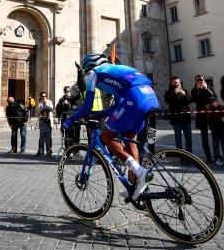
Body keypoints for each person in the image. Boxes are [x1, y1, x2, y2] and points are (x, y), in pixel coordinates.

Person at [62, 53, 159, 201]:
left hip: (135, 97)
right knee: (129, 138)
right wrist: (102, 112)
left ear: (88, 67)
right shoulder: (114, 69)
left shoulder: (93, 74)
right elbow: (118, 104)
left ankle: (140, 173)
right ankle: (135, 185)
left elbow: (87, 106)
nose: (86, 73)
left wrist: (71, 119)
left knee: (106, 136)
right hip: (150, 96)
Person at [164, 76, 192, 153]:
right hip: (175, 119)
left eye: (178, 82)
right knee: (178, 138)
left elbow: (190, 101)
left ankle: (189, 155)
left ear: (180, 83)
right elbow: (168, 100)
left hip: (186, 118)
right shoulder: (168, 92)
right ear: (171, 83)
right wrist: (174, 93)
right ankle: (181, 156)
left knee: (188, 137)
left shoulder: (185, 90)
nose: (176, 84)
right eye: (175, 83)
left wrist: (184, 94)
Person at [191, 75, 215, 163]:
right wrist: (198, 90)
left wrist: (206, 89)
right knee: (204, 137)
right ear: (195, 81)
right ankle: (208, 157)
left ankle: (217, 155)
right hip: (201, 116)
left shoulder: (209, 88)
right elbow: (195, 100)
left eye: (201, 79)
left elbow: (214, 97)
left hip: (211, 114)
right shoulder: (194, 90)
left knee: (215, 136)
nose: (200, 81)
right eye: (198, 80)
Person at [207, 96, 224, 165]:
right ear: (211, 103)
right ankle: (217, 158)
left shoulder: (221, 108)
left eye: (216, 101)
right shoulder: (209, 111)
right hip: (215, 130)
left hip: (222, 129)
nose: (216, 103)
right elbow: (211, 121)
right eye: (214, 102)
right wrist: (221, 120)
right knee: (216, 145)